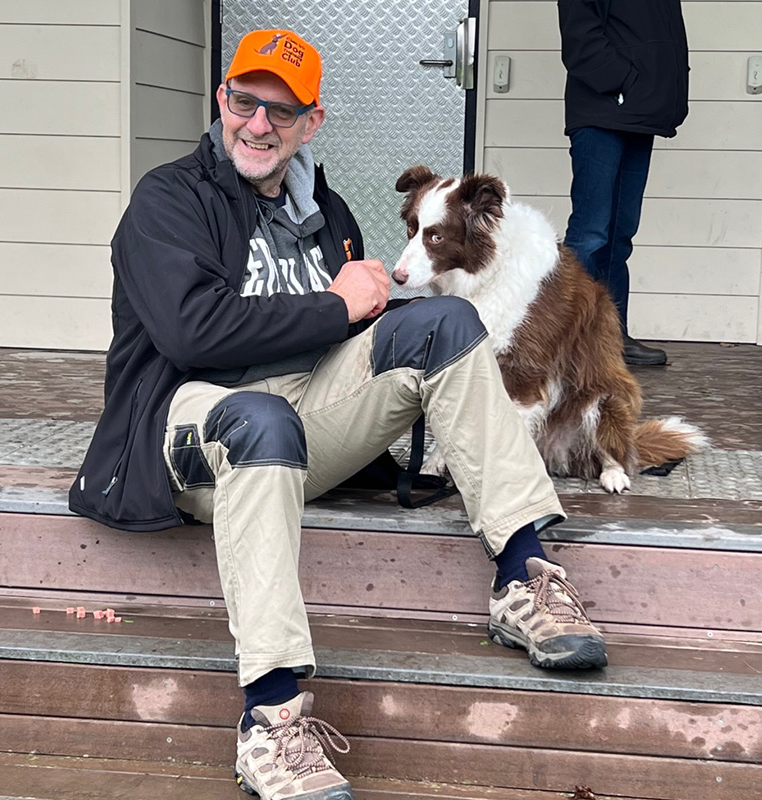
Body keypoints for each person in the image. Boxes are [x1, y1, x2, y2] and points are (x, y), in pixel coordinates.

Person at [69, 29, 606, 800]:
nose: (260, 125)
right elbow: (191, 333)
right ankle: (271, 721)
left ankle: (524, 575)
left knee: (445, 326)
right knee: (261, 416)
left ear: (311, 124)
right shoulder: (167, 198)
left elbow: (357, 339)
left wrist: (366, 317)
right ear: (222, 101)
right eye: (246, 103)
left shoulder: (329, 212)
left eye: (282, 113)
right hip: (191, 429)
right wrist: (332, 306)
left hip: (307, 423)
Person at [557, 0, 689, 366]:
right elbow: (579, 39)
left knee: (619, 234)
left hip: (639, 114)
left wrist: (649, 92)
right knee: (590, 232)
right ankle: (566, 342)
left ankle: (613, 337)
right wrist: (626, 82)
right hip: (602, 113)